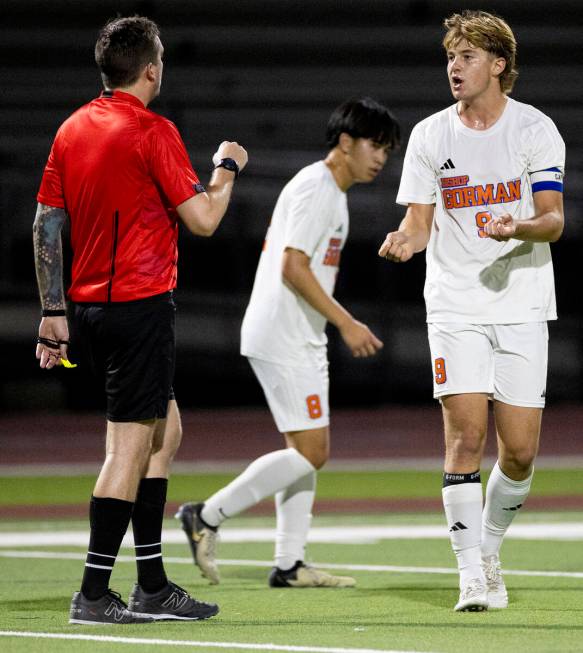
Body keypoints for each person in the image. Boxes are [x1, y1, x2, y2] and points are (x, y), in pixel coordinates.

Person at [33, 16, 247, 624]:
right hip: (138, 307)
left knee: (165, 432)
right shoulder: (152, 130)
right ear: (151, 68)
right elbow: (204, 219)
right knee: (126, 450)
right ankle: (94, 593)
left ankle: (152, 584)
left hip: (90, 308)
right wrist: (227, 169)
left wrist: (53, 313)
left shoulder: (71, 128)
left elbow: (47, 224)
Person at [378, 10, 565, 612]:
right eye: (450, 58)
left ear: (499, 65)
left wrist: (520, 226)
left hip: (521, 302)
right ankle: (471, 575)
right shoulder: (431, 135)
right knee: (465, 436)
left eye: (466, 57)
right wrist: (407, 238)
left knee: (520, 451)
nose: (454, 68)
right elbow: (418, 220)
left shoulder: (535, 129)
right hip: (454, 303)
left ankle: (489, 546)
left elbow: (554, 220)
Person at [176, 97, 400, 588]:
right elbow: (293, 266)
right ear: (345, 142)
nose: (381, 157)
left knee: (303, 447)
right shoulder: (319, 188)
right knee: (312, 450)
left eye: (387, 148)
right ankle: (206, 515)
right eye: (374, 144)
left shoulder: (329, 191)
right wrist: (346, 322)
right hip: (284, 333)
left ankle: (290, 564)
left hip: (294, 333)